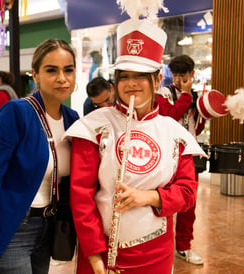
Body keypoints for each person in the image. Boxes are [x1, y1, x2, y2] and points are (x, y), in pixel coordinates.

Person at [64, 18, 206, 274]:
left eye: (140, 76)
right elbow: (81, 197)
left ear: (157, 79)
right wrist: (95, 257)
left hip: (156, 253)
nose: (131, 84)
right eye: (124, 76)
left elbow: (187, 192)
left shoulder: (173, 132)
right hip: (102, 253)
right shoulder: (93, 127)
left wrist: (149, 197)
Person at [0, 39, 79, 274]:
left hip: (50, 227)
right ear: (35, 75)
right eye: (51, 70)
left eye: (68, 70)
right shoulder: (16, 113)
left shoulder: (72, 119)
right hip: (14, 228)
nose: (62, 78)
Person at [157, 54, 206, 265]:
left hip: (189, 156)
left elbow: (197, 127)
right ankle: (159, 246)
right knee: (162, 202)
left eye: (183, 75)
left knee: (189, 206)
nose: (178, 79)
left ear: (192, 74)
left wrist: (203, 113)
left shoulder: (194, 95)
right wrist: (185, 95)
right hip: (167, 154)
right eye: (175, 75)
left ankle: (184, 247)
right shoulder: (164, 93)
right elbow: (170, 116)